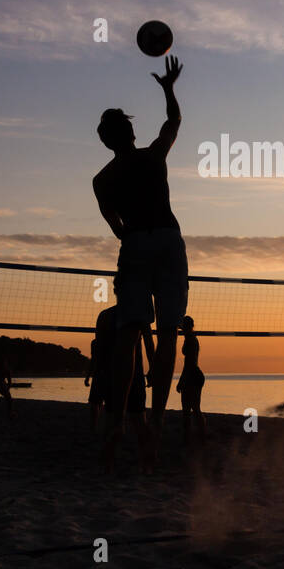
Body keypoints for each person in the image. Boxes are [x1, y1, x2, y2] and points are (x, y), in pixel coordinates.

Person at [92, 54, 188, 470]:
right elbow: (173, 123)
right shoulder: (153, 157)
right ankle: (157, 419)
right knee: (167, 335)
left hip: (134, 244)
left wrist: (134, 238)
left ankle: (117, 421)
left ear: (107, 141)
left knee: (128, 336)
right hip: (167, 240)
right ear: (129, 132)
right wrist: (168, 88)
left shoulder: (102, 180)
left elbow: (114, 225)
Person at [88, 304, 154, 460]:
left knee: (112, 421)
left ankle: (108, 464)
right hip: (132, 377)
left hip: (114, 376)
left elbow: (99, 350)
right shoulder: (139, 313)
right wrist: (153, 369)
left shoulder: (105, 316)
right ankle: (146, 465)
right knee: (138, 422)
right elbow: (149, 344)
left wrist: (98, 374)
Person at [176, 316, 205, 444]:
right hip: (194, 375)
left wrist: (182, 380)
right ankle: (197, 436)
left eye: (183, 326)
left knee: (190, 410)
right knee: (192, 409)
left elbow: (189, 364)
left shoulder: (191, 340)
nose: (182, 329)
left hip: (193, 376)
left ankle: (192, 438)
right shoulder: (190, 338)